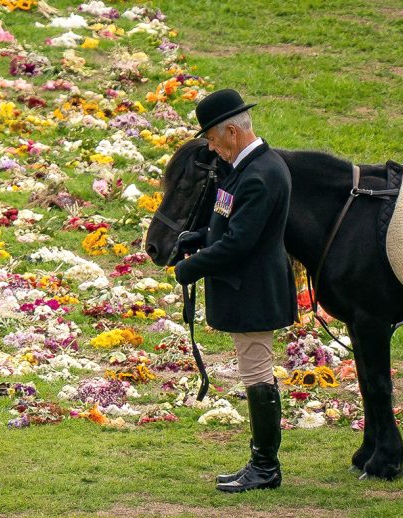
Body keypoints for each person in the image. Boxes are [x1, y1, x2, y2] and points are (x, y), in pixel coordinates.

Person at [173, 89, 298, 493]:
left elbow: (240, 243)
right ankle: (262, 463)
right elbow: (228, 224)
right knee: (253, 371)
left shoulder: (261, 175)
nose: (212, 148)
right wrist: (198, 236)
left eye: (211, 139)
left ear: (230, 131)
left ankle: (265, 466)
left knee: (258, 373)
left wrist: (191, 268)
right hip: (248, 286)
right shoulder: (247, 168)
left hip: (254, 290)